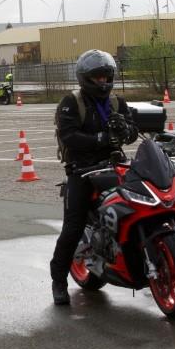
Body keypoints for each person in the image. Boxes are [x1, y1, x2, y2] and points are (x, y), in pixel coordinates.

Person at [49, 49, 137, 306]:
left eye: (106, 77)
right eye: (98, 77)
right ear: (86, 78)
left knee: (138, 205)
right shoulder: (71, 102)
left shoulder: (117, 102)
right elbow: (69, 136)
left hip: (114, 166)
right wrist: (101, 139)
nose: (103, 82)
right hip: (82, 170)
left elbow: (133, 132)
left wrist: (126, 130)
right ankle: (59, 281)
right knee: (73, 228)